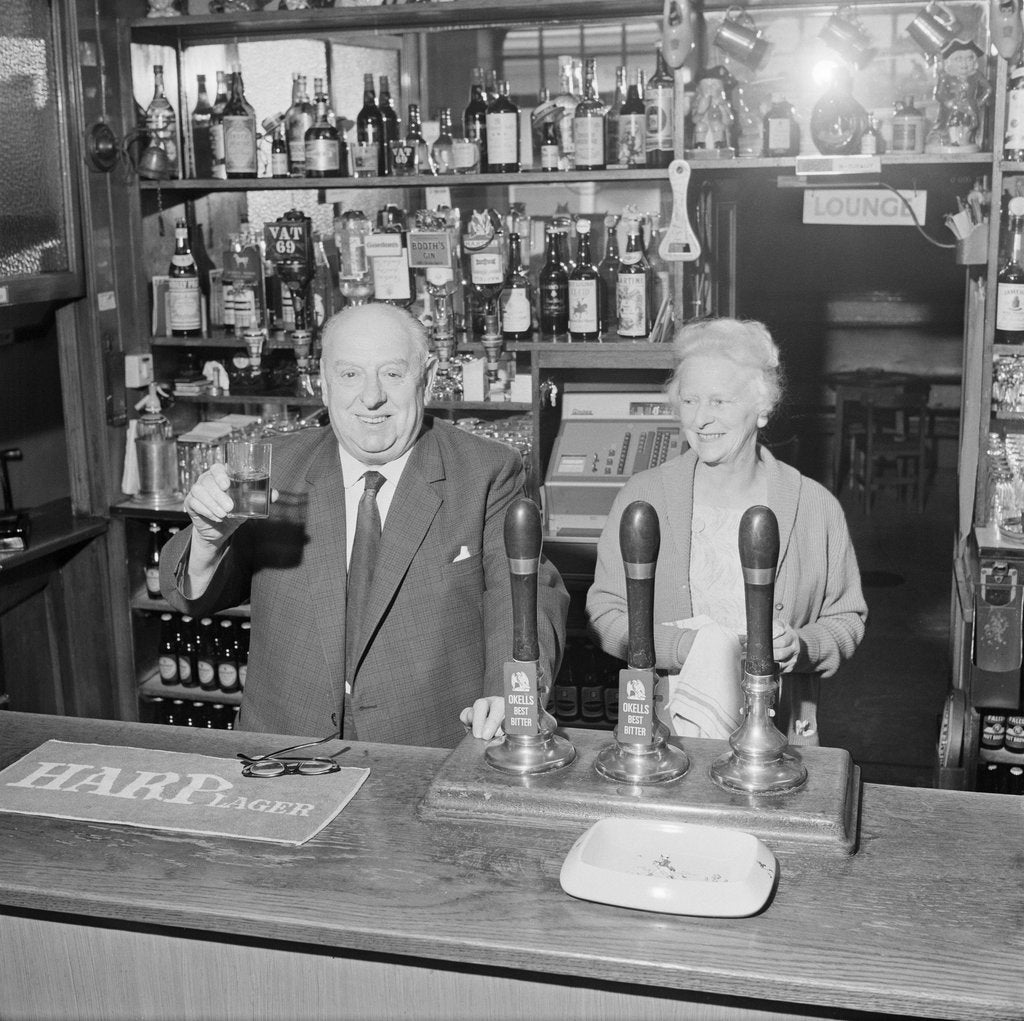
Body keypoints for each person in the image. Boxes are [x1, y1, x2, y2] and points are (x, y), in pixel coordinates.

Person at [161, 303, 568, 747]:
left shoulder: (486, 470)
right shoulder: (276, 469)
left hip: (430, 744)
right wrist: (207, 541)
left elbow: (523, 593)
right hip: (283, 749)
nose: (371, 397)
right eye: (350, 374)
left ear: (427, 379)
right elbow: (192, 597)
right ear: (323, 383)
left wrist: (515, 694)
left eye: (392, 374)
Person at [586, 318, 866, 744]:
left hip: (779, 734)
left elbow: (847, 619)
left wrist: (800, 647)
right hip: (665, 733)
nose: (701, 419)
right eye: (690, 400)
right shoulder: (643, 499)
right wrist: (685, 649)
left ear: (763, 406)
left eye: (720, 401)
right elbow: (606, 611)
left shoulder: (814, 506)